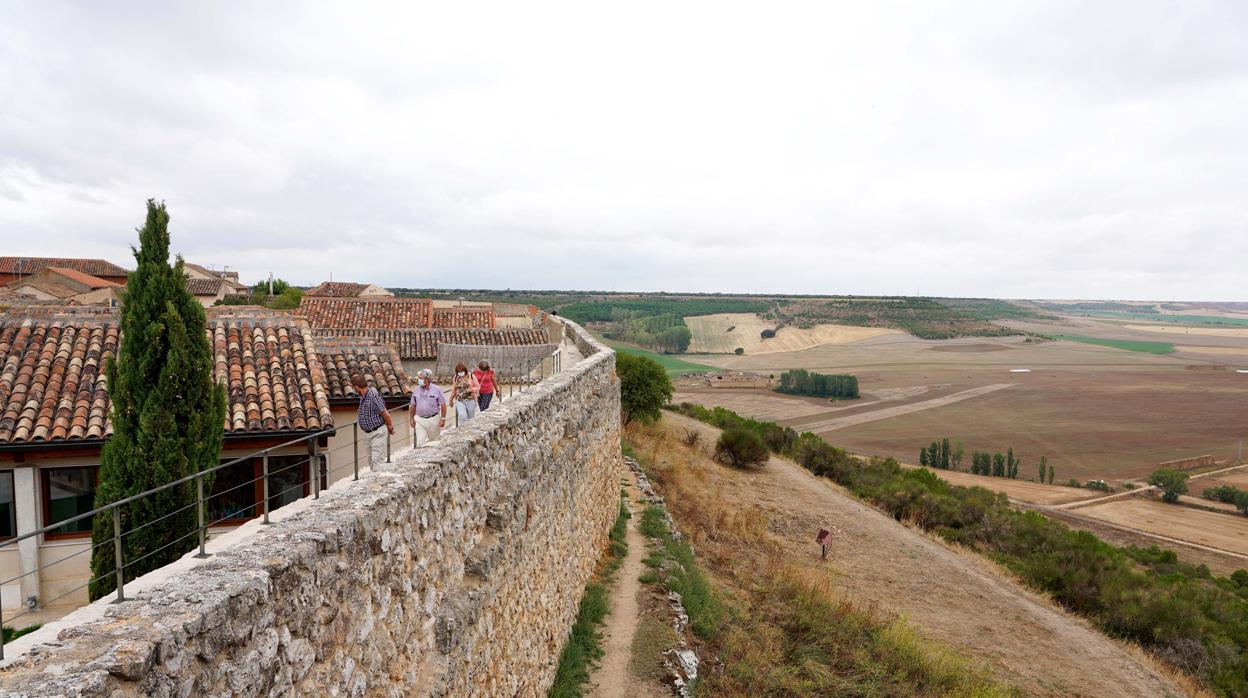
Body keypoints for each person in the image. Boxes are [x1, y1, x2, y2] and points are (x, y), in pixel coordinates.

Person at [353, 374, 393, 471]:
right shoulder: (363, 396)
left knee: (377, 461)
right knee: (371, 461)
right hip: (368, 434)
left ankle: (380, 484)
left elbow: (386, 414)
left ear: (357, 387)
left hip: (377, 432)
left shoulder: (372, 396)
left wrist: (390, 426)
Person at [409, 369, 447, 447]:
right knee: (420, 443)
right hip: (419, 419)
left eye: (421, 378)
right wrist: (411, 418)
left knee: (435, 442)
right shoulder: (416, 390)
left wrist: (443, 419)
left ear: (427, 379)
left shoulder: (437, 390)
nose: (419, 380)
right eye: (419, 378)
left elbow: (443, 404)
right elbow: (412, 405)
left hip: (433, 419)